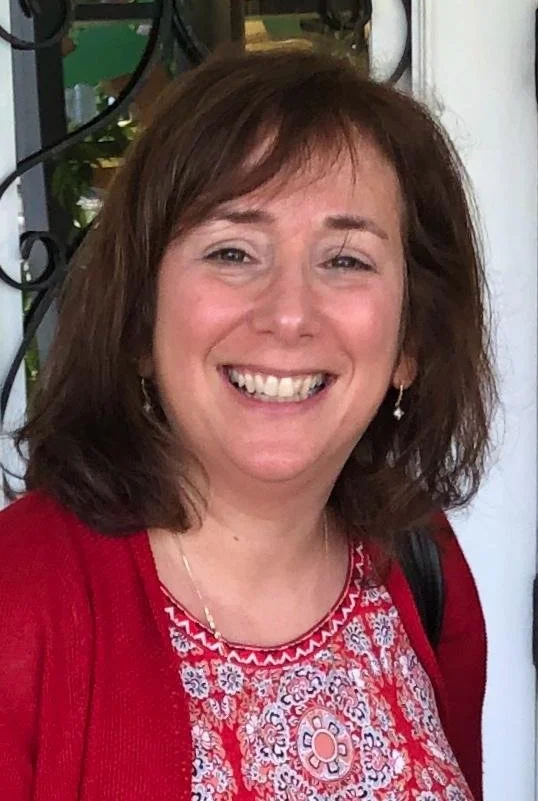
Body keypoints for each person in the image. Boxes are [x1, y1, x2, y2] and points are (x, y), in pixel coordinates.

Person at [0, 47, 495, 801]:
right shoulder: (19, 600)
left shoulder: (425, 564)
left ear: (410, 345)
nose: (289, 313)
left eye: (346, 259)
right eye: (233, 251)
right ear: (140, 319)